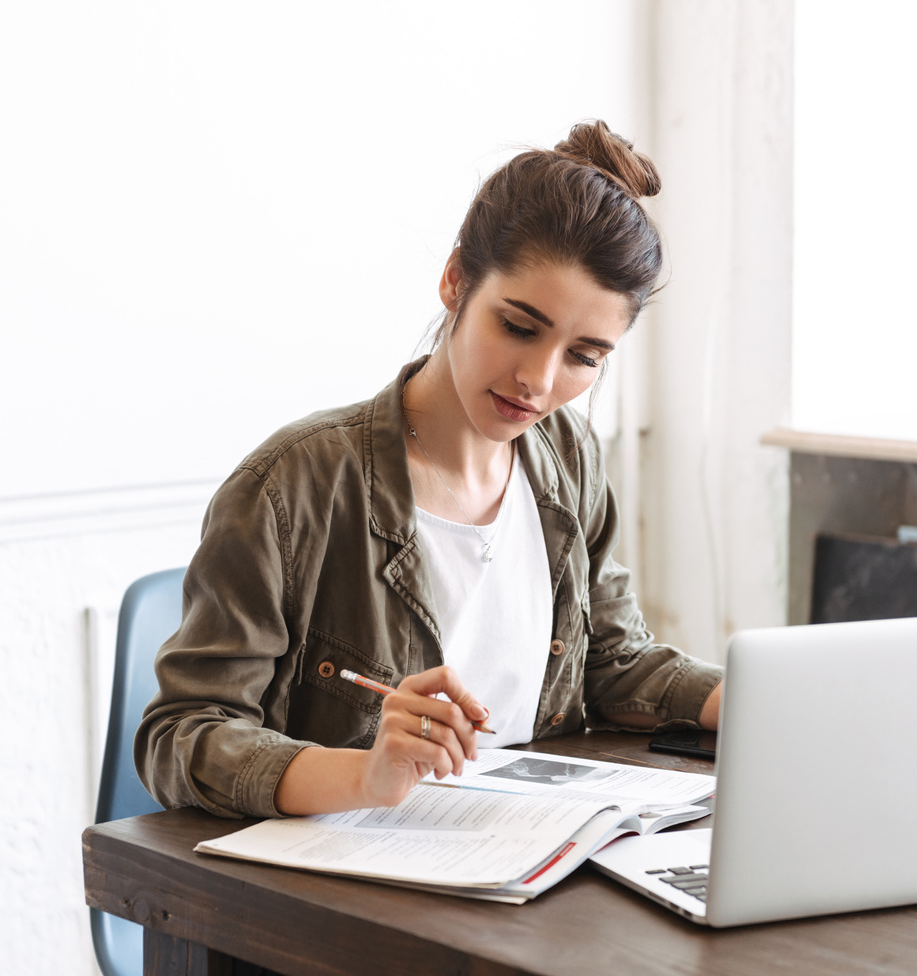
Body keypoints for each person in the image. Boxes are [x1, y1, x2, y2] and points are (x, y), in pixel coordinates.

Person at [136, 120, 724, 819]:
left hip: (523, 868)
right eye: (519, 326)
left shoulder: (568, 460)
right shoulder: (292, 489)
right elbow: (181, 736)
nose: (538, 379)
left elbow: (615, 663)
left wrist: (766, 702)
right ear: (454, 281)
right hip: (335, 895)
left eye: (584, 356)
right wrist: (363, 775)